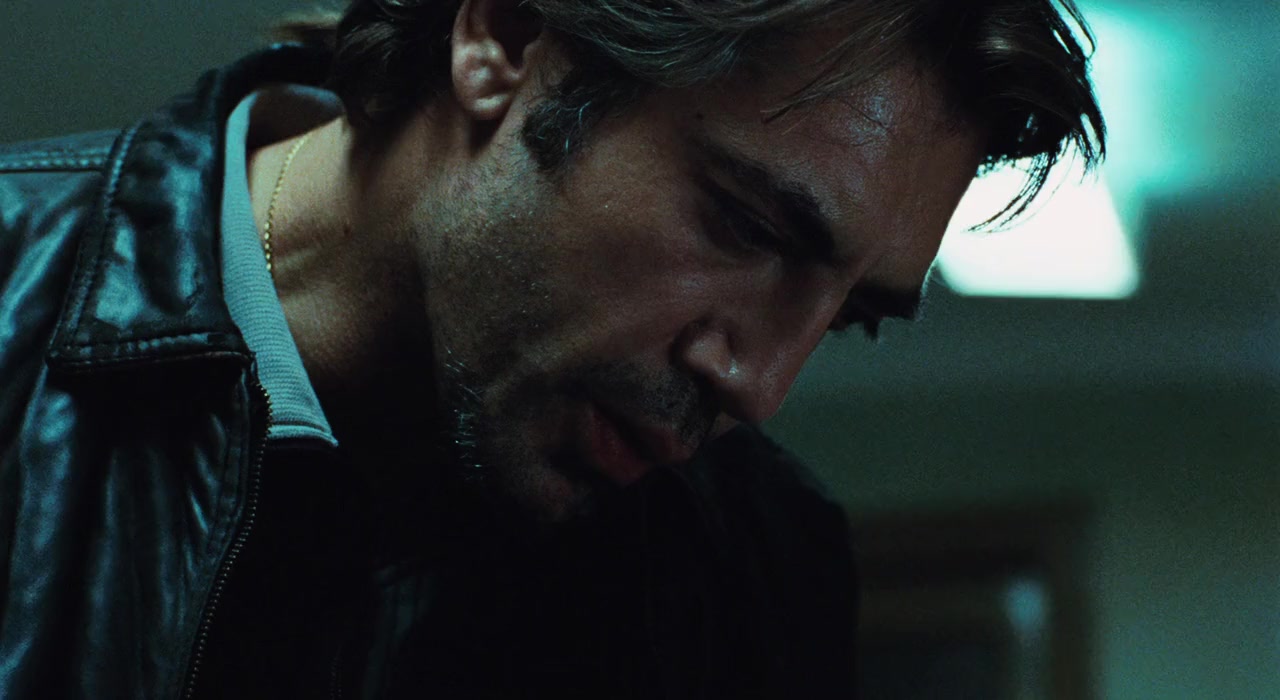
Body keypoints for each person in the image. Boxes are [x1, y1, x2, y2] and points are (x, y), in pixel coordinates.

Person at [0, 0, 1104, 697]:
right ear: (505, 37)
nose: (760, 385)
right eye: (748, 226)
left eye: (848, 314)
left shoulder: (758, 568)